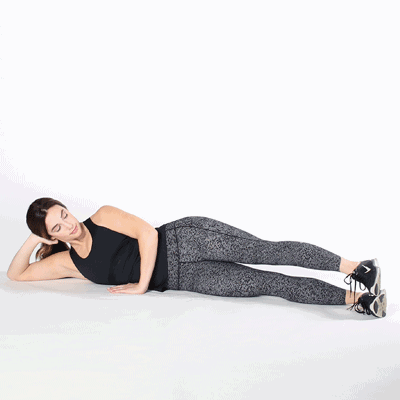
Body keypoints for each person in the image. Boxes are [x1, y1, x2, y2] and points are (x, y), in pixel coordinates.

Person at [7, 198, 387, 318]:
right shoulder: (70, 264)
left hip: (185, 240)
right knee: (267, 284)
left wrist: (140, 286)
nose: (69, 224)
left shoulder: (102, 216)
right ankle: (360, 300)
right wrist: (33, 234)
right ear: (50, 236)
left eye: (64, 214)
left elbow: (146, 234)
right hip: (184, 279)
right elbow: (17, 275)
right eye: (57, 227)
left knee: (267, 252)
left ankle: (359, 268)